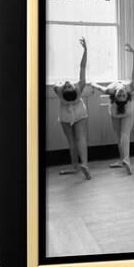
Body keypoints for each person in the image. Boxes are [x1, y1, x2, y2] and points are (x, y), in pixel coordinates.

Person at [90, 44, 134, 175]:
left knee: (124, 135)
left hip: (127, 111)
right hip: (116, 111)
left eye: (120, 94)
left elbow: (97, 86)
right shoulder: (128, 88)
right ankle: (122, 159)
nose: (121, 92)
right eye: (121, 94)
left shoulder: (110, 91)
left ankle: (126, 160)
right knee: (118, 136)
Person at [54, 37, 91, 180]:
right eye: (69, 85)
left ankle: (75, 166)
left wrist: (63, 89)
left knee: (72, 140)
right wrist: (86, 50)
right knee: (81, 138)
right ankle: (85, 165)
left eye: (68, 85)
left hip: (65, 114)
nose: (68, 83)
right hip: (79, 112)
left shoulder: (58, 91)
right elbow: (82, 68)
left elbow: (55, 85)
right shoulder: (79, 87)